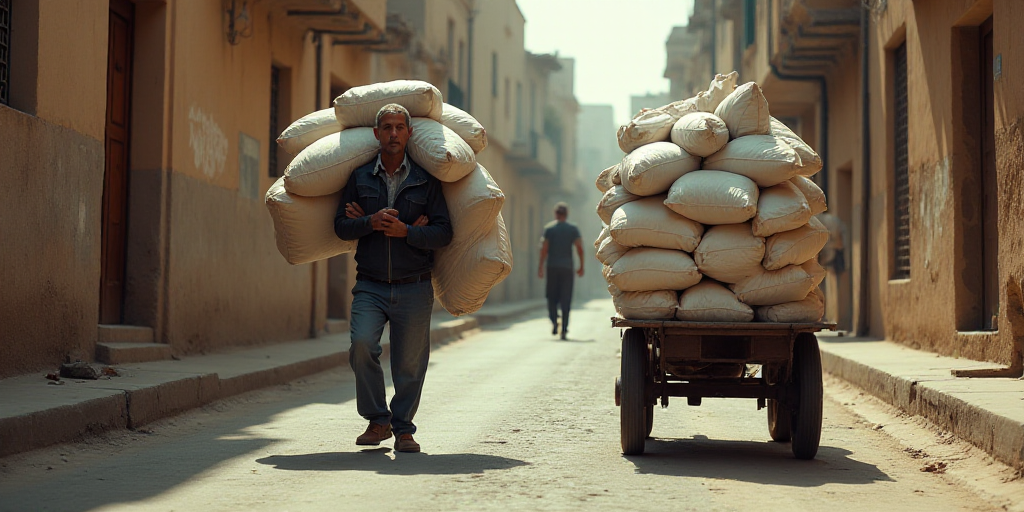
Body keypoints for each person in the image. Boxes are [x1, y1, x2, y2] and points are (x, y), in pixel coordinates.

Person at [334, 103, 453, 453]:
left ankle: (404, 429)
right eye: (387, 127)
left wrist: (407, 233)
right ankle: (377, 420)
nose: (393, 134)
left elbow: (444, 232)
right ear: (376, 133)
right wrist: (368, 222)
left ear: (409, 133)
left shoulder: (425, 181)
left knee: (410, 364)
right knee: (361, 346)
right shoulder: (358, 178)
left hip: (414, 284)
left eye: (400, 127)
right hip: (370, 283)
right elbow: (340, 227)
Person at [538, 203, 584, 340]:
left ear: (556, 214)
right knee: (566, 299)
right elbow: (579, 248)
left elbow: (544, 249)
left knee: (551, 297)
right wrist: (581, 266)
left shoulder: (549, 229)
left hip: (552, 267)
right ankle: (563, 329)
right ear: (567, 214)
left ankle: (554, 320)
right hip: (567, 269)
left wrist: (540, 266)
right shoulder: (573, 229)